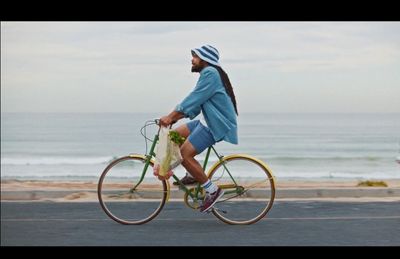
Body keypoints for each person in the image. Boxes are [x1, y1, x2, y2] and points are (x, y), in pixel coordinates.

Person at [159, 44, 238, 213]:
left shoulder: (210, 73)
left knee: (185, 155)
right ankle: (193, 175)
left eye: (195, 56)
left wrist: (171, 116)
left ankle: (212, 190)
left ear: (204, 59)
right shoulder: (210, 74)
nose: (192, 59)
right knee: (172, 136)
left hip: (215, 124)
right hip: (206, 120)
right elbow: (198, 102)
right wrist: (175, 118)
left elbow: (194, 98)